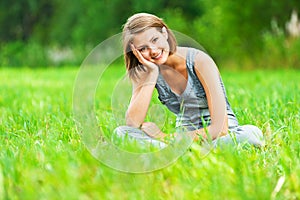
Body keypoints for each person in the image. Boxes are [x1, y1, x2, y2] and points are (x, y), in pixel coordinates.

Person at [114, 13, 264, 148]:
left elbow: (220, 129)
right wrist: (151, 76)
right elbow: (132, 123)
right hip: (183, 138)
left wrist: (165, 138)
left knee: (249, 135)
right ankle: (184, 150)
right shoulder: (147, 70)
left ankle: (174, 150)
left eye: (155, 40)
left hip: (219, 137)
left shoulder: (200, 61)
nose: (153, 50)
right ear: (135, 52)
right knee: (121, 133)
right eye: (143, 49)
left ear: (164, 33)